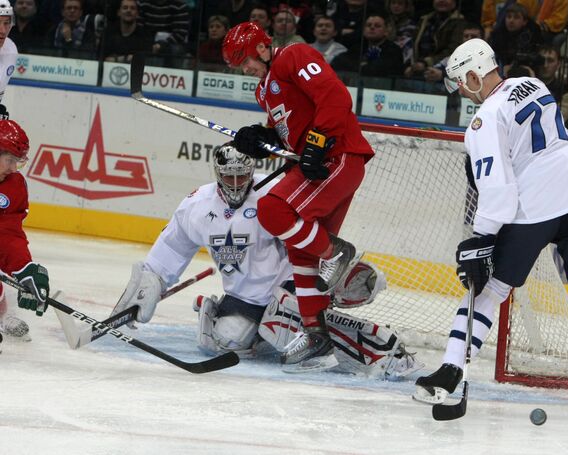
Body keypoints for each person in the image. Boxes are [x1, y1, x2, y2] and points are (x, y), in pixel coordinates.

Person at [413, 38, 568, 421]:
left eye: (460, 82)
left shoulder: (484, 119)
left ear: (472, 75)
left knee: (490, 289)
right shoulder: (532, 85)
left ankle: (450, 372)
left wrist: (482, 236)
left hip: (534, 206)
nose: (463, 92)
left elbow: (498, 185)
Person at [111, 142, 420, 378]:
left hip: (289, 288)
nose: (234, 183)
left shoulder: (276, 193)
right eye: (227, 177)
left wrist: (326, 277)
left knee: (282, 322)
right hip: (244, 298)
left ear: (252, 170)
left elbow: (311, 234)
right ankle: (270, 333)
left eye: (241, 175)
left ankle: (379, 348)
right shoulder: (197, 204)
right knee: (227, 340)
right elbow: (173, 248)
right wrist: (148, 284)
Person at [221, 22, 374, 373]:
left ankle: (336, 252)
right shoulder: (266, 90)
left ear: (262, 47)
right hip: (323, 164)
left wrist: (318, 143)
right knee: (300, 249)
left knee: (272, 210)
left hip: (339, 156)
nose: (245, 70)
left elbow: (335, 98)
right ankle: (316, 335)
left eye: (245, 61)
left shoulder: (294, 56)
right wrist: (258, 137)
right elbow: (288, 135)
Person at [0, 120, 51, 346]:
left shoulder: (14, 185)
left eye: (17, 162)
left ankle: (2, 316)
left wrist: (24, 268)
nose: (13, 168)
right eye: (10, 160)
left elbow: (8, 233)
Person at [331, 13, 405, 77]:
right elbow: (339, 62)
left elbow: (382, 70)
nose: (372, 27)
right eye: (368, 25)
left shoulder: (394, 50)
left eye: (377, 26)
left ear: (386, 31)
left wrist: (361, 67)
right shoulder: (358, 47)